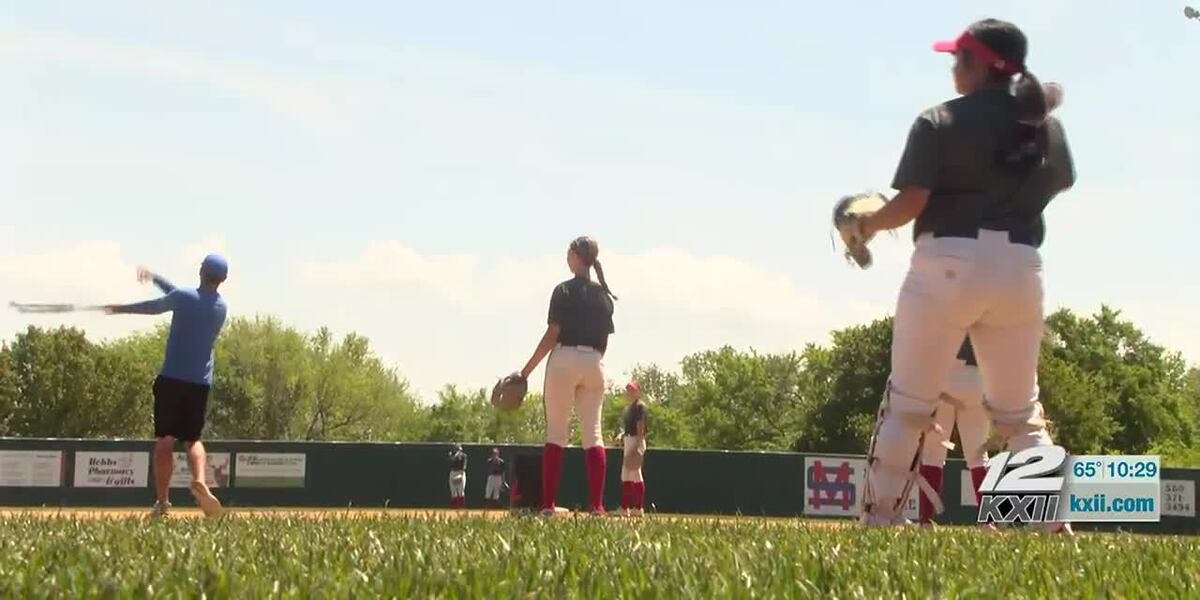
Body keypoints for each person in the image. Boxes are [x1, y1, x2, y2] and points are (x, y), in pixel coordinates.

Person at [856, 19, 1075, 532]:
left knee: (909, 404)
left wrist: (865, 225)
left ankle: (880, 519)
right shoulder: (1046, 127)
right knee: (1020, 414)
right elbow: (1060, 180)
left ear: (979, 65)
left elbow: (911, 203)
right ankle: (1050, 527)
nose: (954, 66)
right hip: (1021, 265)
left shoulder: (939, 120)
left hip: (947, 261)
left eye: (960, 58)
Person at [105, 255, 229, 519]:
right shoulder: (220, 307)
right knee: (193, 440)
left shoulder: (183, 297)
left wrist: (120, 309)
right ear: (223, 279)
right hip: (200, 383)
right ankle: (200, 482)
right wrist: (154, 277)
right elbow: (180, 295)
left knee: (165, 440)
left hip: (172, 378)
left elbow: (155, 306)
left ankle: (162, 503)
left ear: (200, 271)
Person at [516, 236, 617, 515]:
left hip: (564, 359)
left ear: (576, 256)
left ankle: (548, 505)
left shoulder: (563, 290)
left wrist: (525, 371)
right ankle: (596, 506)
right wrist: (590, 362)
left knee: (557, 434)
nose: (566, 258)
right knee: (594, 436)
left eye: (568, 253)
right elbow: (604, 342)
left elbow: (552, 335)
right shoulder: (603, 296)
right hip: (595, 361)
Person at [918, 336, 989, 524]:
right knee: (978, 457)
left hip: (945, 377)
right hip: (977, 378)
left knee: (932, 455)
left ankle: (926, 519)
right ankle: (988, 522)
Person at [615, 381, 648, 517]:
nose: (629, 392)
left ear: (637, 391)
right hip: (629, 440)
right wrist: (621, 435)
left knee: (634, 474)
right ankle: (627, 507)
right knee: (627, 475)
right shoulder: (629, 408)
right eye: (628, 390)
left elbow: (640, 426)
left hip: (636, 440)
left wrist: (639, 445)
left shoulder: (640, 406)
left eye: (632, 390)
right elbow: (629, 427)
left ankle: (637, 508)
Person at [448, 444, 467, 509]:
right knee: (453, 491)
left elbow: (464, 466)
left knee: (461, 490)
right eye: (455, 449)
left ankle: (461, 506)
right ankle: (454, 506)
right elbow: (451, 462)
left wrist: (461, 475)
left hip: (460, 472)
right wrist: (451, 456)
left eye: (458, 449)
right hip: (453, 472)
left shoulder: (463, 456)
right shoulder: (452, 456)